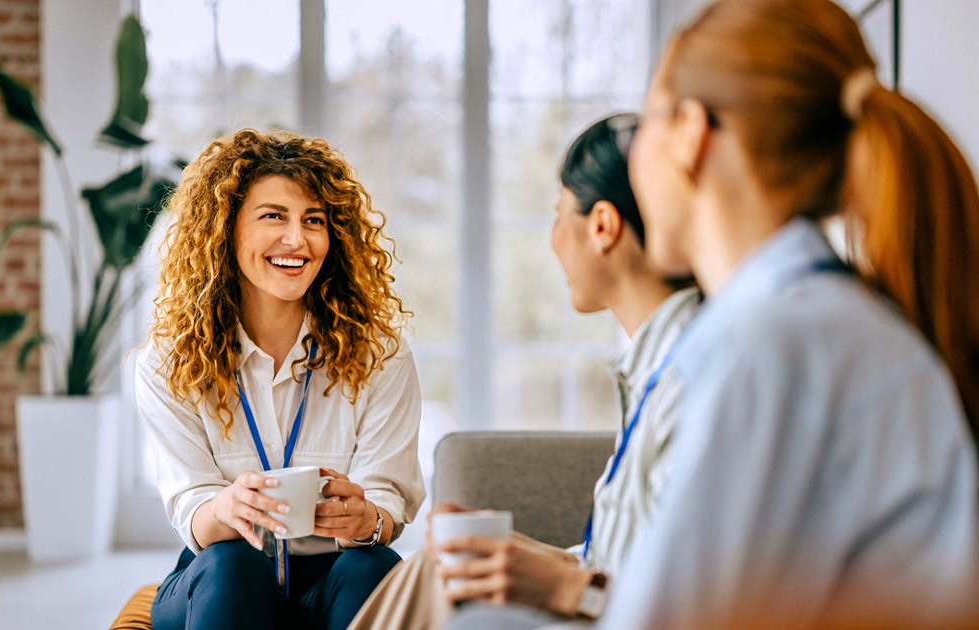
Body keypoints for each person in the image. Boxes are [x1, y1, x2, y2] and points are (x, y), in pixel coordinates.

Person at [593, 0, 979, 628]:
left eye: (645, 123)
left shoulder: (771, 345)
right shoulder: (822, 320)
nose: (635, 156)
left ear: (690, 133)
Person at [347, 114, 702, 629]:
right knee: (439, 564)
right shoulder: (651, 361)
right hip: (607, 586)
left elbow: (699, 588)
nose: (554, 239)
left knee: (450, 590)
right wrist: (513, 552)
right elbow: (628, 547)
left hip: (621, 611)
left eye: (560, 216)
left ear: (602, 227)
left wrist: (565, 583)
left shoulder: (693, 372)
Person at [135, 128, 426, 630]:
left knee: (373, 566)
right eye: (274, 216)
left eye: (313, 220)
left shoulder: (381, 356)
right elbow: (192, 513)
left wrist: (366, 520)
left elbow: (387, 505)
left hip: (331, 580)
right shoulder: (168, 362)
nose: (297, 240)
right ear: (226, 229)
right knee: (232, 566)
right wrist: (226, 507)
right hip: (221, 577)